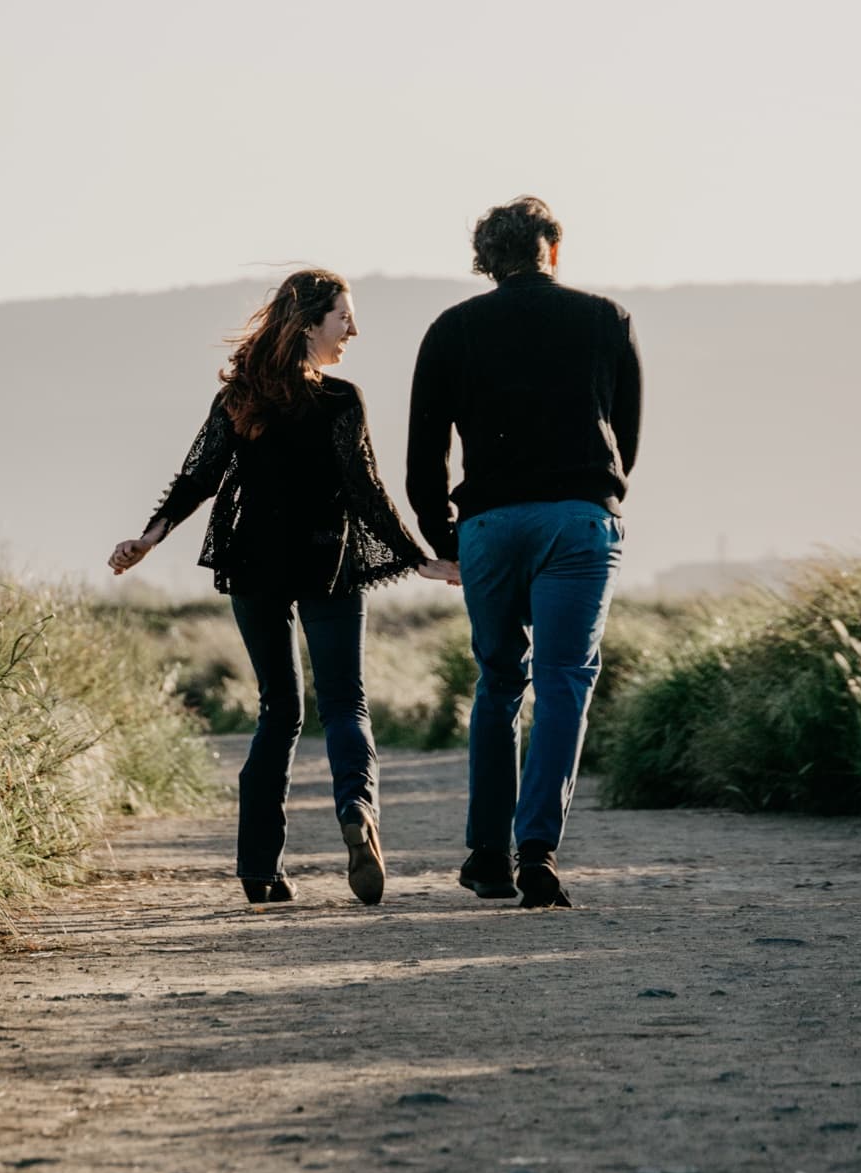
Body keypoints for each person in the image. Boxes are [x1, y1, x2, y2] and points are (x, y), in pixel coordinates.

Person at [109, 269, 444, 906]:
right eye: (344, 317)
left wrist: (148, 539)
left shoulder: (242, 396)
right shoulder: (342, 400)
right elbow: (365, 491)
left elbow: (197, 477)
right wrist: (421, 560)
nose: (353, 329)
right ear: (311, 323)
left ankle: (260, 869)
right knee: (345, 704)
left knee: (279, 711)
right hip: (326, 561)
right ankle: (357, 811)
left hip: (254, 562)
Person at [406, 196, 642, 909]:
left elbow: (425, 452)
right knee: (565, 680)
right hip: (577, 517)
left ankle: (486, 855)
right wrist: (598, 497)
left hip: (488, 525)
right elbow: (624, 433)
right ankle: (537, 850)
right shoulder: (606, 319)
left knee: (499, 681)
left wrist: (442, 535)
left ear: (486, 261)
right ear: (553, 250)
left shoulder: (452, 328)